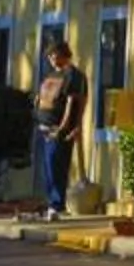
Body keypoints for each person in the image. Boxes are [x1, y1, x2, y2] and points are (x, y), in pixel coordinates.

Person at [32, 40, 86, 220]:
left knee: (57, 167)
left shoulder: (74, 75)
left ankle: (57, 205)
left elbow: (75, 103)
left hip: (59, 129)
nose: (50, 59)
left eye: (53, 55)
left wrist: (67, 127)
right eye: (48, 56)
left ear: (64, 54)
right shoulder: (52, 74)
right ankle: (50, 204)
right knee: (47, 168)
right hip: (43, 127)